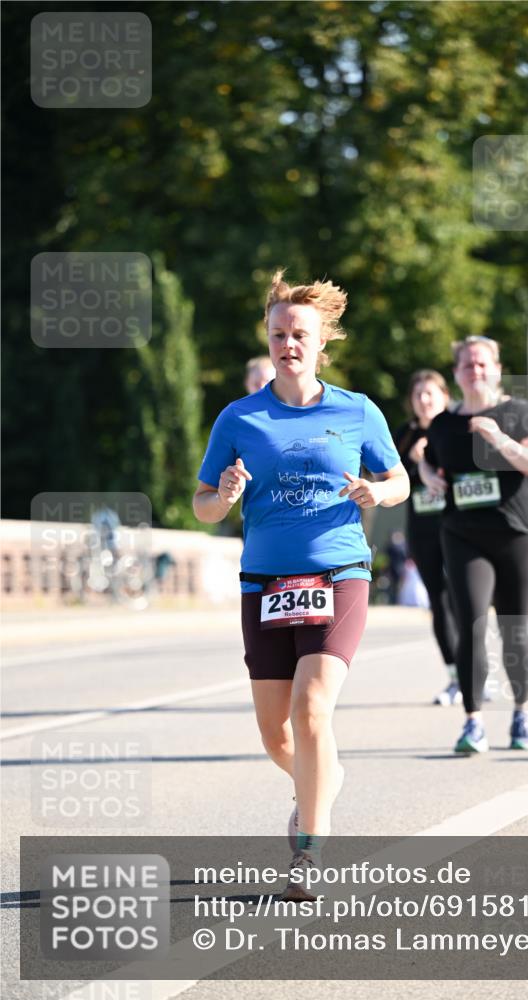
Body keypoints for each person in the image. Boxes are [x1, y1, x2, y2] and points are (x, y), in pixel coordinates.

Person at [193, 269, 409, 898]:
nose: (288, 343)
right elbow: (203, 505)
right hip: (264, 580)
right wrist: (225, 494)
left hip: (338, 572)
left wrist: (378, 489)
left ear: (322, 342)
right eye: (278, 333)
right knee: (275, 733)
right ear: (268, 338)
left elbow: (398, 480)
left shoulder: (356, 410)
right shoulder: (239, 419)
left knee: (311, 709)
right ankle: (325, 777)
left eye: (300, 334)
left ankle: (308, 851)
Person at [419, 336, 528, 754]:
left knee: (514, 627)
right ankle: (473, 722)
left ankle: (523, 713)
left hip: (513, 532)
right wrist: (426, 473)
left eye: (482, 364)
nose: (475, 371)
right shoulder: (443, 423)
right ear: (456, 373)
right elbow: (426, 453)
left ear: (496, 369)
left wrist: (498, 439)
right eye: (467, 365)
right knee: (471, 624)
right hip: (462, 534)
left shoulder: (518, 413)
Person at [394, 370, 461, 705]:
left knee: (463, 600)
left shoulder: (457, 426)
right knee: (438, 602)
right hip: (422, 528)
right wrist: (413, 460)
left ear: (444, 396)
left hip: (458, 526)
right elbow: (389, 478)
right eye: (418, 394)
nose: (423, 400)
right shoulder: (405, 435)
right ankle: (454, 676)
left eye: (430, 394)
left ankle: (475, 671)